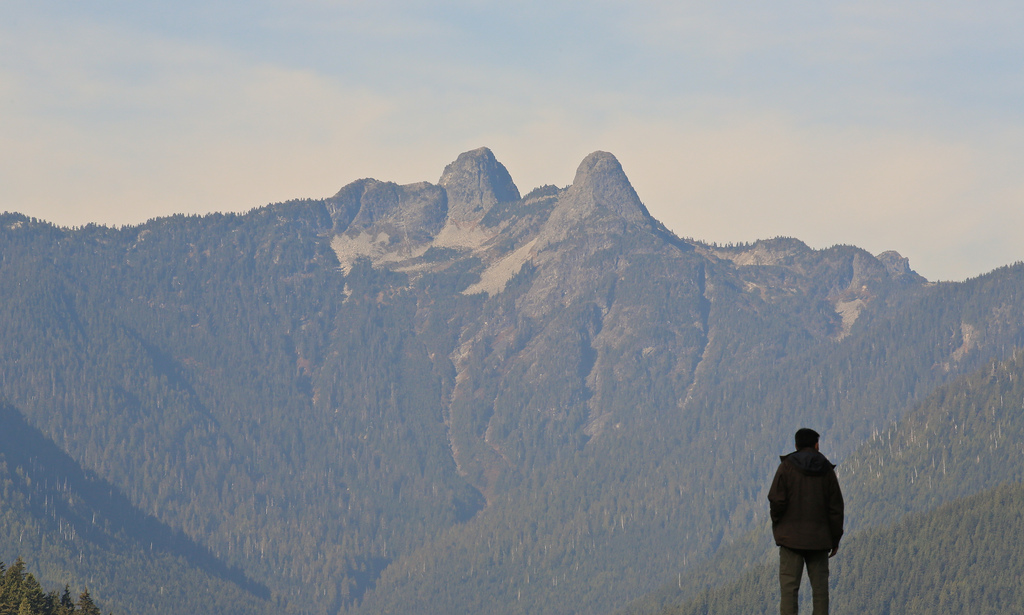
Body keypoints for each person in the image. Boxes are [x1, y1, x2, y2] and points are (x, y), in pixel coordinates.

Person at [767, 428, 844, 615]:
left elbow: (776, 500)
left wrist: (779, 524)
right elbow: (835, 508)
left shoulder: (786, 468)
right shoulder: (826, 470)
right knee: (820, 591)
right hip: (819, 540)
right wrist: (835, 539)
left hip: (790, 539)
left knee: (789, 591)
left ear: (796, 445)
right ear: (816, 445)